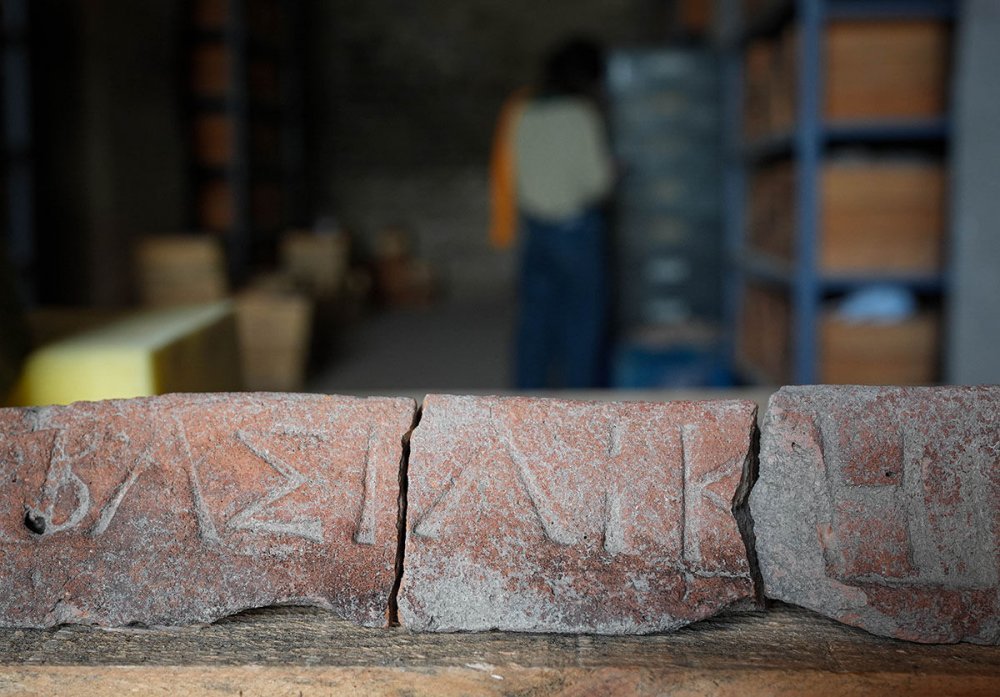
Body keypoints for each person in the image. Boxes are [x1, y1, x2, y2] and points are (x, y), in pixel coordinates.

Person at [490, 38, 615, 389]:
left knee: (535, 323)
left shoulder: (523, 113)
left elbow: (512, 173)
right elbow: (597, 182)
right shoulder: (581, 114)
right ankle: (581, 403)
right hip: (576, 231)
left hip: (536, 230)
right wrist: (616, 171)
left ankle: (524, 401)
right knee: (582, 323)